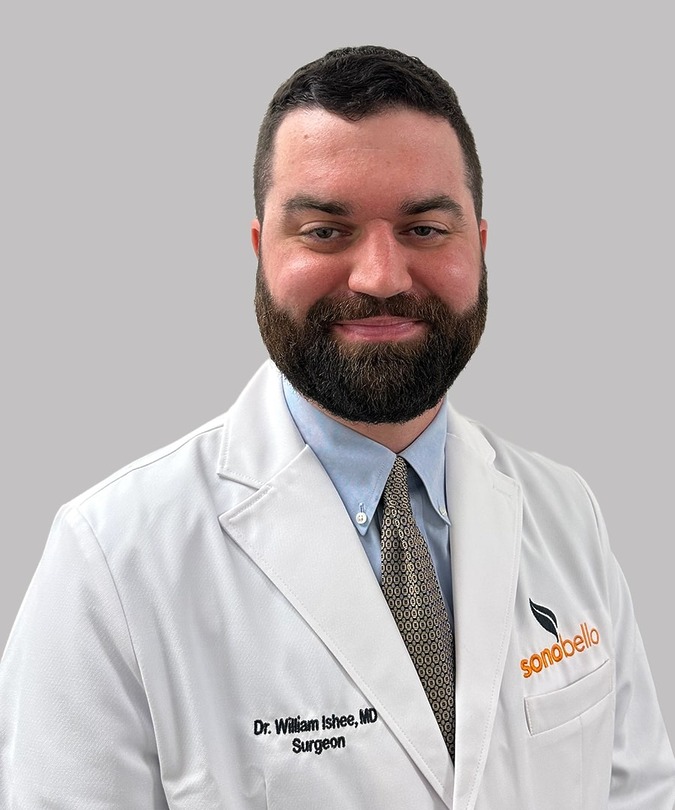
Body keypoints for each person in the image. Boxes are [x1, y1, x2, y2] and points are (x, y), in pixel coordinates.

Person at [1, 44, 673, 809]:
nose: (381, 276)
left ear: (479, 250)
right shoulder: (111, 562)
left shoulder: (564, 510)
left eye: (424, 229)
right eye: (325, 230)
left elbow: (639, 791)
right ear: (261, 252)